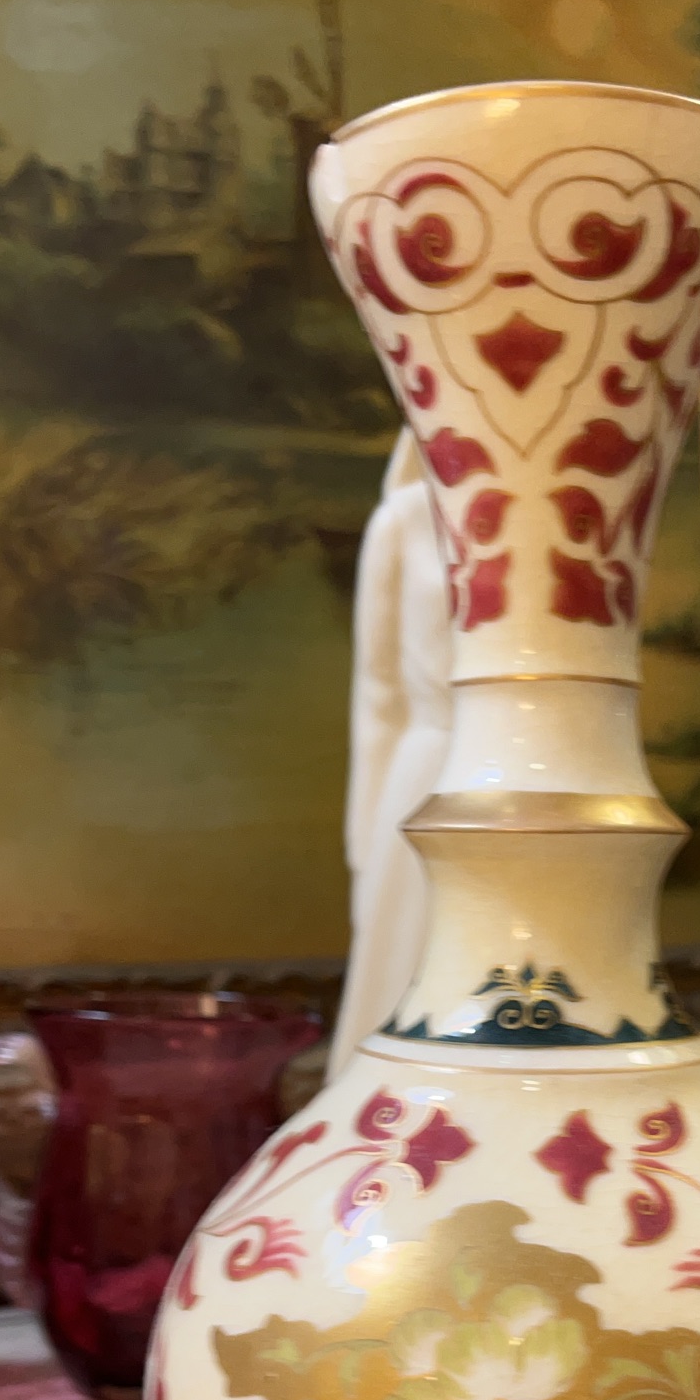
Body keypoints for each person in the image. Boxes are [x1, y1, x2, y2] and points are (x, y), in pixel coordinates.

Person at [328, 431, 453, 1080]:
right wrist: (365, 841)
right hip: (426, 773)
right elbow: (378, 693)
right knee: (407, 956)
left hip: (531, 774)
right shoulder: (403, 521)